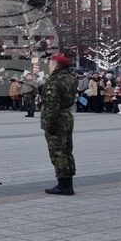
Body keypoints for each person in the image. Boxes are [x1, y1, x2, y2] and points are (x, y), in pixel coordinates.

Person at [40, 54, 78, 196]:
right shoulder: (71, 78)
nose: (49, 66)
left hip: (57, 118)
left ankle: (63, 185)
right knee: (67, 149)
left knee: (57, 151)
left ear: (57, 65)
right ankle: (69, 183)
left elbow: (52, 105)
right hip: (67, 116)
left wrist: (49, 123)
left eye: (51, 63)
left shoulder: (53, 81)